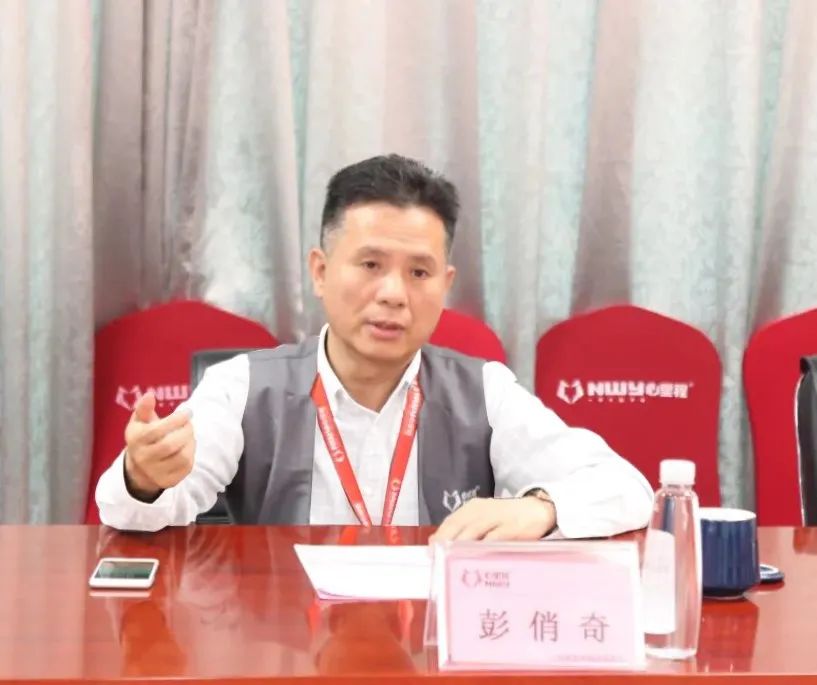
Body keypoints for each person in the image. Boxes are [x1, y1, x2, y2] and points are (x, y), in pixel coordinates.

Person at [96, 154, 652, 540]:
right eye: (370, 265)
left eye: (419, 272)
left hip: (427, 644)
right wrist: (145, 478)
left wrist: (541, 508)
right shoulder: (241, 386)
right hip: (286, 643)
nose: (393, 294)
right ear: (320, 272)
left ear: (445, 286)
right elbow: (132, 513)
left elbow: (626, 487)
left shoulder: (485, 392)